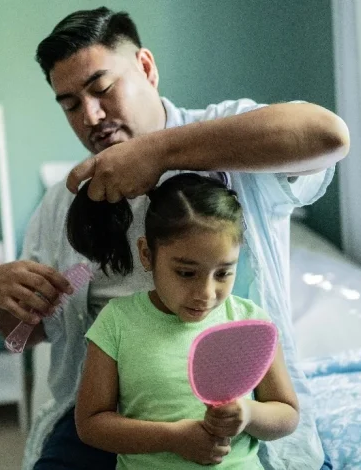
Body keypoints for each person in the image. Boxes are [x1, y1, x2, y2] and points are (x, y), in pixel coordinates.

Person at [0, 7, 349, 470]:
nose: (91, 116)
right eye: (71, 105)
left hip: (233, 408)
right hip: (109, 420)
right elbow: (24, 338)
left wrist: (157, 151)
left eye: (102, 89)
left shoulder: (229, 136)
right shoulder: (62, 205)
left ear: (147, 69)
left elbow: (328, 135)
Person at [70, 173, 300, 470]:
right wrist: (172, 438)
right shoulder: (117, 322)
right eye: (186, 273)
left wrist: (248, 414)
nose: (205, 294)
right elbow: (91, 424)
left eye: (223, 273)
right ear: (147, 254)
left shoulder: (250, 323)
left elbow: (288, 415)